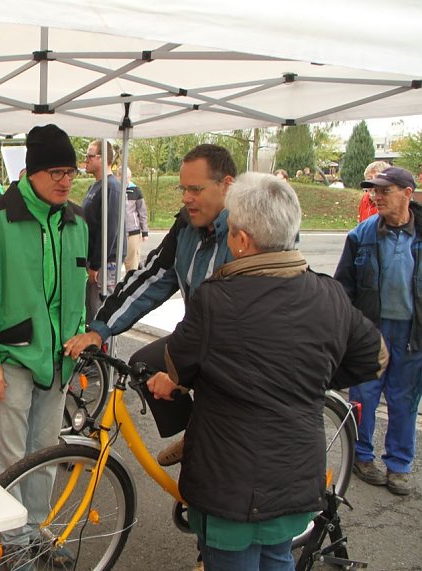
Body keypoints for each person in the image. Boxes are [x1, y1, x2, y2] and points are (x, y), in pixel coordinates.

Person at [147, 172, 386, 570]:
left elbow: (178, 364)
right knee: (278, 558)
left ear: (240, 240)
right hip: (294, 484)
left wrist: (168, 380)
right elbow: (374, 358)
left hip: (228, 488)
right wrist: (312, 376)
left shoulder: (215, 299)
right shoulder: (329, 295)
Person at [0, 124, 88, 568]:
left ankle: (37, 535)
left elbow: (80, 288)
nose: (65, 180)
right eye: (55, 171)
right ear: (31, 172)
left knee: (46, 455)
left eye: (70, 171)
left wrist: (82, 333)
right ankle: (13, 547)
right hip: (9, 359)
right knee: (12, 459)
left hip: (58, 363)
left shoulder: (77, 221)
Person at [65, 144, 237, 465]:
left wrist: (182, 375)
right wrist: (100, 329)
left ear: (227, 185)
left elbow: (240, 324)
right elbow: (151, 278)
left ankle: (209, 441)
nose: (185, 198)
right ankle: (194, 433)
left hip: (238, 355)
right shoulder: (187, 225)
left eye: (195, 189)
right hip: (200, 337)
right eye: (183, 188)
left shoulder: (248, 235)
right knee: (143, 363)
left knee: (219, 455)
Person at [335, 166, 422, 496]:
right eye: (374, 190)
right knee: (363, 397)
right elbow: (344, 287)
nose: (376, 196)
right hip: (371, 330)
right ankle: (361, 456)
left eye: (385, 190)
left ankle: (399, 465)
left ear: (407, 194)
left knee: (404, 400)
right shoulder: (362, 235)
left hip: (413, 334)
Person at [83, 140, 126, 320]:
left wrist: (96, 264)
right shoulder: (96, 186)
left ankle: (104, 348)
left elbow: (109, 229)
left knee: (101, 313)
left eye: (90, 156)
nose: (86, 160)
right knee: (92, 311)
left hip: (105, 263)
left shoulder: (112, 187)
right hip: (95, 262)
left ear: (102, 159)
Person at [120, 166, 149, 272]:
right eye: (125, 177)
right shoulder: (113, 189)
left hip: (133, 233)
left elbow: (142, 212)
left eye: (129, 177)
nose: (127, 180)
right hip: (117, 234)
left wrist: (145, 232)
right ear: (118, 176)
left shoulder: (136, 190)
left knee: (132, 267)